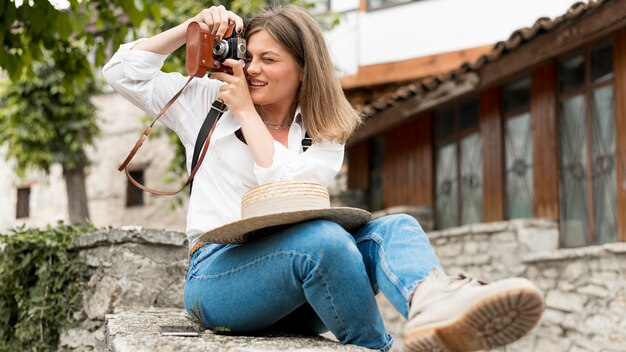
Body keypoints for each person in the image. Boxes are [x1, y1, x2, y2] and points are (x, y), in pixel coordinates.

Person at [103, 5, 544, 352]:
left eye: (268, 60)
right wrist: (191, 28)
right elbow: (122, 72)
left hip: (303, 293)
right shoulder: (207, 101)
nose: (251, 68)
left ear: (302, 68)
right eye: (248, 56)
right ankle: (380, 347)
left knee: (396, 227)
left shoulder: (323, 131)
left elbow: (284, 189)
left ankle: (435, 306)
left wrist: (246, 115)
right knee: (324, 241)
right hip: (219, 277)